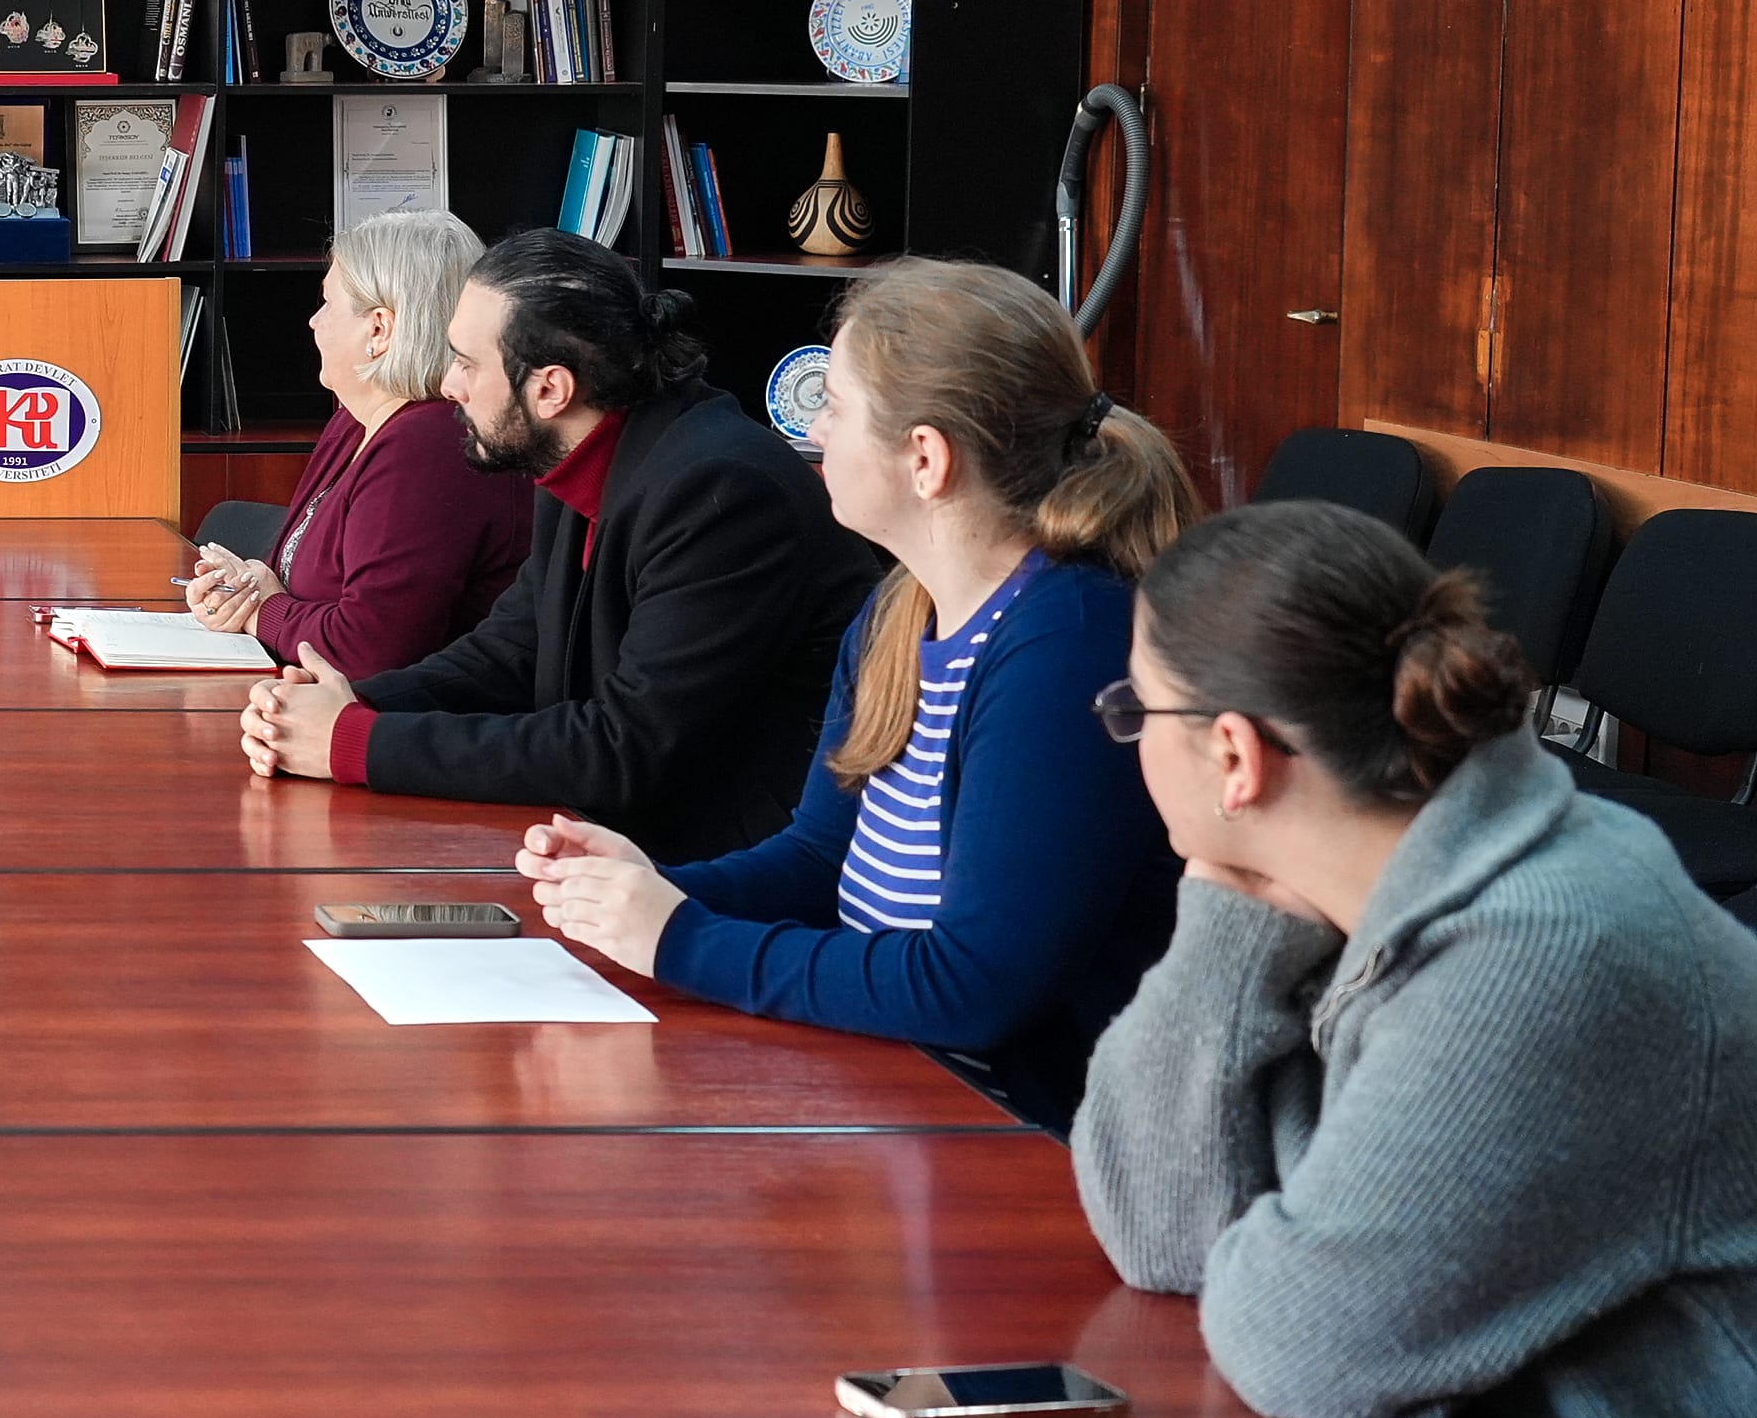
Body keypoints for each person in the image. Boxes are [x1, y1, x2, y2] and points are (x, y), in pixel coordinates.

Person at [1075, 501, 1757, 1418]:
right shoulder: (1370, 873)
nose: (1129, 739)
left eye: (1137, 710)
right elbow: (1163, 1236)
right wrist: (1231, 912)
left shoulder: (1541, 948)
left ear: (1234, 756)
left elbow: (1298, 1343)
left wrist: (1276, 1236)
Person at [516, 260, 1192, 1122]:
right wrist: (647, 889)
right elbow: (816, 861)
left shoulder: (1068, 642)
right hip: (894, 1082)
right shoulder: (900, 610)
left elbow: (975, 986)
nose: (813, 429)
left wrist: (680, 938)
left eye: (834, 406)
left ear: (926, 459)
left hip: (1019, 1133)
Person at [242, 229, 881, 860]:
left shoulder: (721, 491)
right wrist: (351, 702)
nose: (449, 385)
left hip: (726, 873)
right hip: (616, 847)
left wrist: (356, 743)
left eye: (467, 363)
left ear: (550, 389)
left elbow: (626, 747)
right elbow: (514, 649)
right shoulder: (579, 447)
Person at [181, 210, 523, 680]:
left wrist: (261, 611)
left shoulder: (428, 446)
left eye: (327, 303)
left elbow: (366, 650)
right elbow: (296, 588)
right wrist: (242, 592)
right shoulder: (354, 420)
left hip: (406, 716)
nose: (313, 321)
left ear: (379, 329)